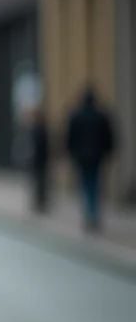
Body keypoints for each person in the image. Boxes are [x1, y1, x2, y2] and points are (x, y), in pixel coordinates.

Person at [66, 87, 115, 233]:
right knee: (95, 184)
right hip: (97, 156)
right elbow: (109, 136)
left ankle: (89, 213)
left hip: (81, 157)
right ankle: (94, 213)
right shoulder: (101, 115)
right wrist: (108, 152)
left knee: (85, 184)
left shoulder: (76, 115)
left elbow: (70, 137)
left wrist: (71, 153)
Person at [28, 105, 50, 214]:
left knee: (39, 181)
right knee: (40, 181)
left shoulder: (37, 130)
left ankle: (39, 202)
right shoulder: (42, 129)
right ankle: (40, 201)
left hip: (38, 159)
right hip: (42, 159)